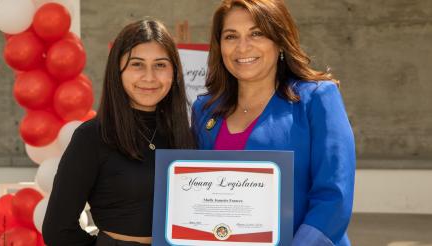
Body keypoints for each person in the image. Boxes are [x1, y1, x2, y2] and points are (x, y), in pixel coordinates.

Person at [191, 0, 356, 245]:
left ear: (279, 41)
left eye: (256, 34)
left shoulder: (318, 99)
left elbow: (334, 197)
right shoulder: (204, 110)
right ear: (220, 45)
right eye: (230, 36)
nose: (242, 47)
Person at [43, 18, 195, 246]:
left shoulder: (183, 134)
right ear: (118, 71)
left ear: (174, 72)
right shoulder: (92, 136)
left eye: (160, 65)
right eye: (137, 64)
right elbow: (58, 230)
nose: (150, 77)